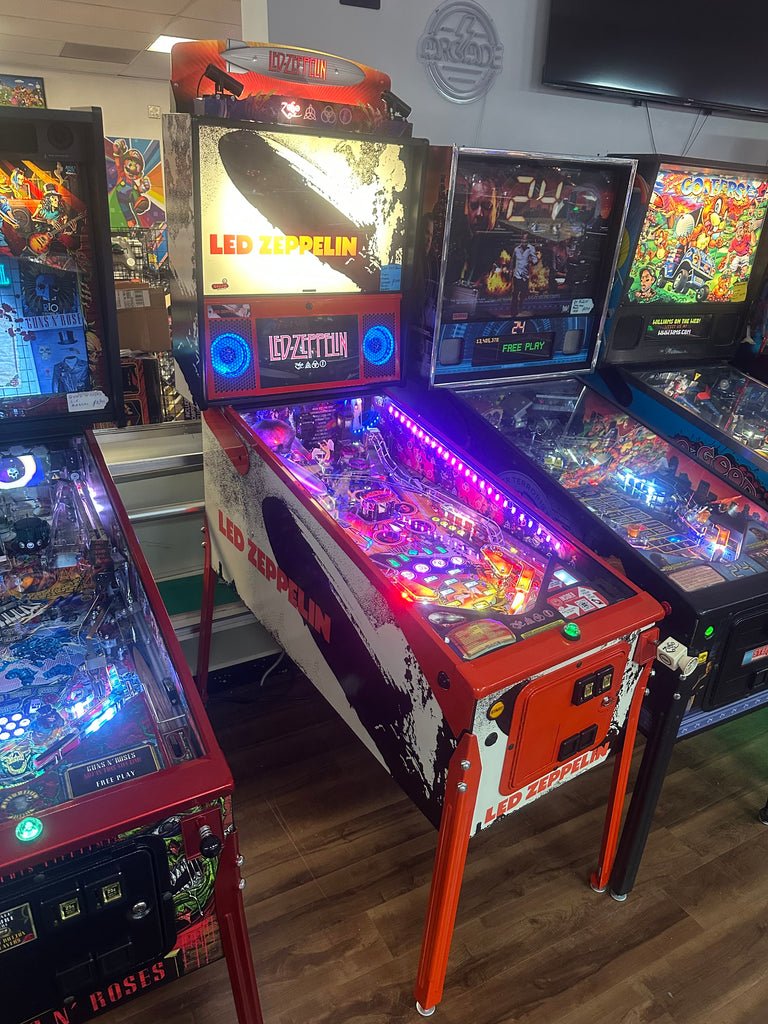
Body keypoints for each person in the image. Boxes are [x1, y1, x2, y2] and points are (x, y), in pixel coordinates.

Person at [511, 232, 537, 311]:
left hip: (525, 275)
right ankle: (514, 309)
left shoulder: (531, 248)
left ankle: (521, 304)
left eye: (526, 240)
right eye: (523, 239)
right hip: (517, 274)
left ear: (528, 240)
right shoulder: (516, 249)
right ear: (521, 240)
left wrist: (531, 260)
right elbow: (513, 260)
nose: (524, 241)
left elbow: (535, 261)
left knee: (523, 292)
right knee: (515, 292)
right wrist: (510, 270)